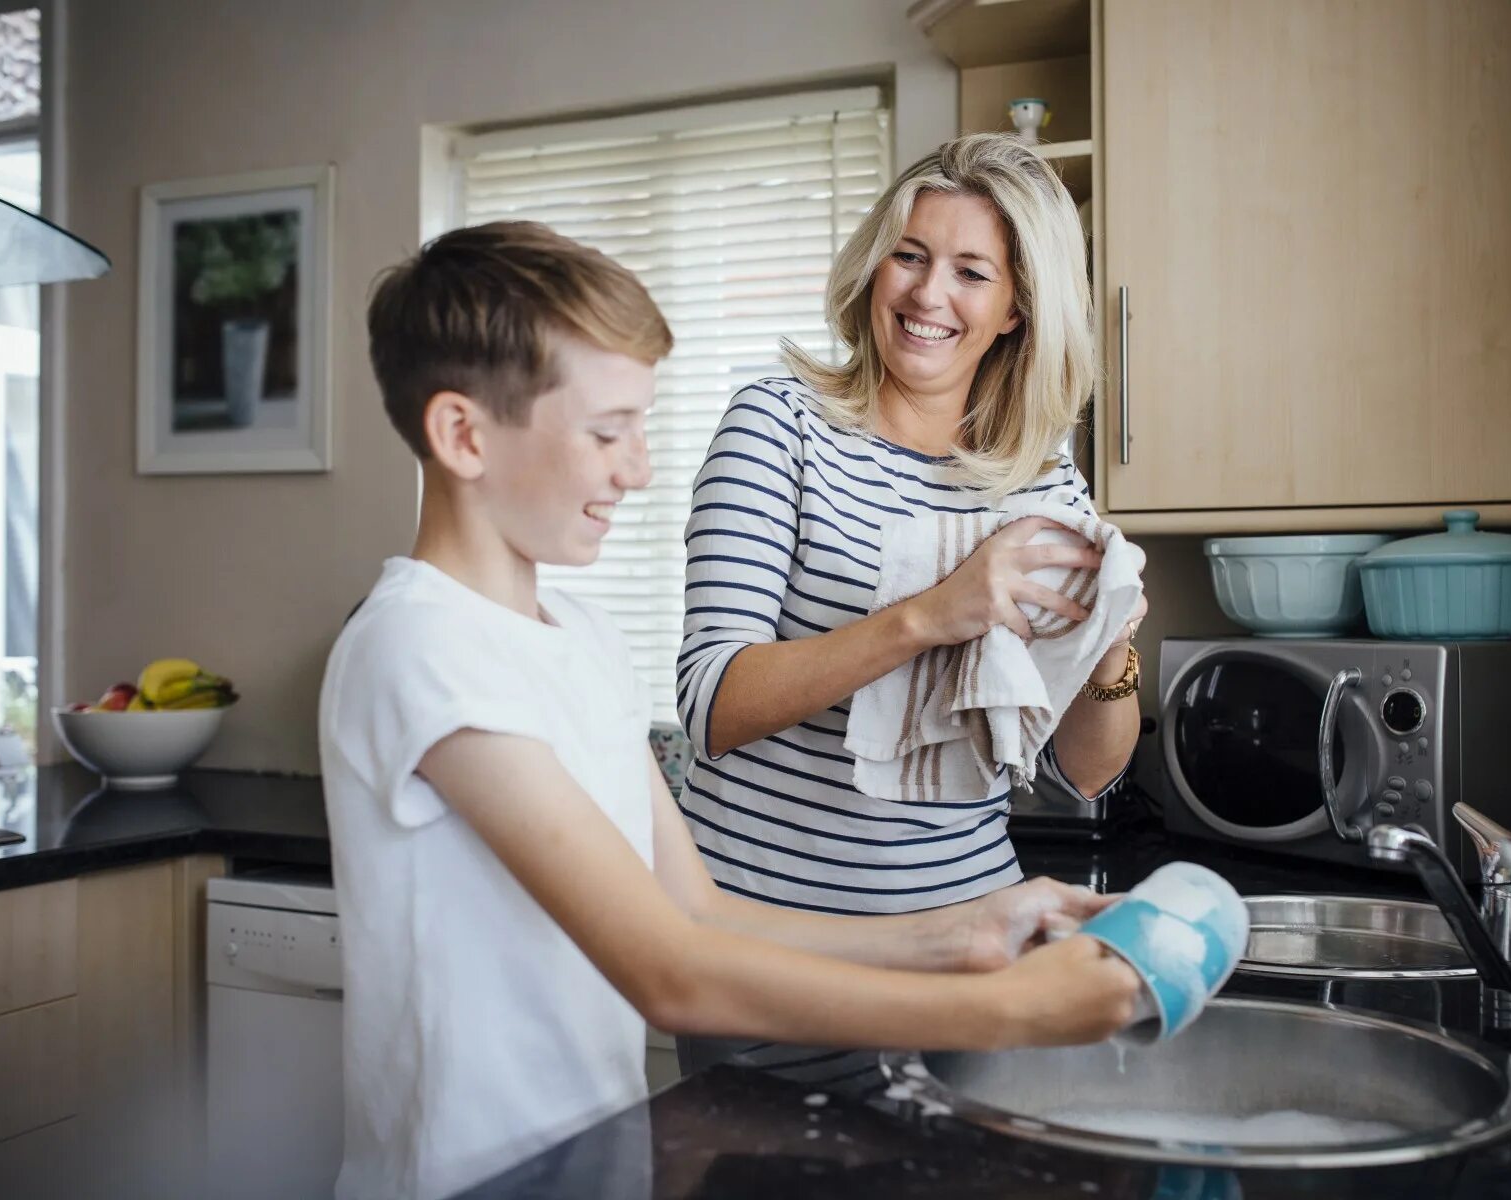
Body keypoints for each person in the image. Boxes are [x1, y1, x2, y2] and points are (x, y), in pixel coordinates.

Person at [319, 220, 1146, 1200]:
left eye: (641, 427)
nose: (637, 469)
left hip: (594, 1167)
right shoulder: (420, 646)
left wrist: (968, 936)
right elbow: (670, 973)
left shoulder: (575, 634)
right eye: (605, 430)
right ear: (462, 434)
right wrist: (1010, 1015)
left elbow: (695, 909)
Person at [676, 132, 1145, 923]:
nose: (928, 295)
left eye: (970, 273)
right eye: (909, 256)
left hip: (967, 930)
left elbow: (1083, 776)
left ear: (1015, 308)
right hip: (767, 938)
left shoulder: (1046, 482)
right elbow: (711, 704)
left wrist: (1109, 645)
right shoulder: (779, 425)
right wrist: (928, 618)